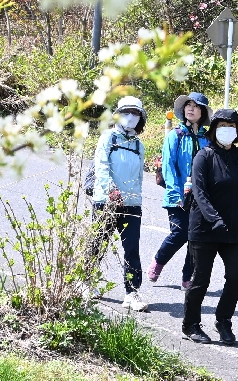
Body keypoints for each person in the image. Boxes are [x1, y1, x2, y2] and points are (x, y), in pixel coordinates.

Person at [182, 108, 238, 346]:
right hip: (205, 228)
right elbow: (200, 194)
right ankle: (190, 324)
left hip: (233, 229)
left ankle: (224, 320)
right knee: (201, 278)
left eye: (231, 126)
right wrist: (215, 220)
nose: (227, 130)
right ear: (214, 130)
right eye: (222, 125)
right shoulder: (204, 156)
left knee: (236, 276)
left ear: (237, 131)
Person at [91, 95, 149, 312]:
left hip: (132, 204)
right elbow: (102, 166)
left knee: (132, 248)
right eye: (127, 112)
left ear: (140, 118)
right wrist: (110, 190)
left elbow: (140, 176)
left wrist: (136, 198)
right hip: (106, 201)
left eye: (135, 113)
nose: (131, 116)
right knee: (98, 244)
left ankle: (132, 292)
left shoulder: (139, 145)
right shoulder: (108, 138)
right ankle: (86, 281)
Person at [148, 92, 211, 289]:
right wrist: (177, 195)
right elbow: (169, 167)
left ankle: (187, 278)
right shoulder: (175, 135)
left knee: (196, 237)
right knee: (180, 232)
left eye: (196, 106)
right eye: (188, 105)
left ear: (202, 112)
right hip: (178, 195)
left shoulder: (207, 139)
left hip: (199, 196)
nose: (191, 108)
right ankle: (158, 261)